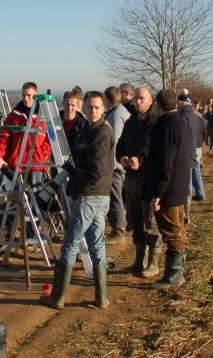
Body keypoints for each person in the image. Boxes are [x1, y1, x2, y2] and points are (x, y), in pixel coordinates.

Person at [39, 91, 114, 310]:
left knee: (70, 244)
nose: (92, 111)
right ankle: (101, 299)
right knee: (97, 245)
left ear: (103, 110)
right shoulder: (88, 130)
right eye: (90, 107)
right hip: (97, 195)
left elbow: (96, 171)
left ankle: (57, 297)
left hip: (90, 195)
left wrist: (75, 174)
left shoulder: (101, 133)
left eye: (97, 108)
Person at [143, 90, 195, 290]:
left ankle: (174, 276)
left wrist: (158, 193)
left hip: (169, 190)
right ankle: (178, 272)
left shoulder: (165, 127)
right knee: (179, 230)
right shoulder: (182, 123)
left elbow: (166, 164)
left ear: (157, 104)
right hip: (180, 187)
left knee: (172, 233)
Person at [116, 84, 161, 276]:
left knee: (150, 221)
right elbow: (120, 145)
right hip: (131, 178)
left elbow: (159, 151)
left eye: (142, 98)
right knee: (135, 220)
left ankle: (154, 262)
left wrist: (141, 160)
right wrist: (123, 158)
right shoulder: (130, 121)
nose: (138, 101)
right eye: (136, 98)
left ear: (150, 100)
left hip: (149, 179)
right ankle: (139, 259)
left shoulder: (157, 122)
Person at [0, 81, 51, 180]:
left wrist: (41, 156)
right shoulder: (14, 116)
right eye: (23, 95)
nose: (25, 98)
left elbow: (49, 140)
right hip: (15, 165)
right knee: (10, 195)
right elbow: (3, 137)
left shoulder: (44, 117)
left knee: (36, 195)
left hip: (36, 166)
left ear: (35, 96)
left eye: (29, 95)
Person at [104, 85, 131, 242]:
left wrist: (109, 163)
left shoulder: (115, 116)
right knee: (117, 196)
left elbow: (113, 141)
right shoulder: (122, 112)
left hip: (114, 164)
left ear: (107, 99)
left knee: (115, 197)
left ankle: (119, 230)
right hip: (120, 162)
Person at [178, 93, 206, 209]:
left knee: (188, 174)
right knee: (196, 170)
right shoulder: (196, 116)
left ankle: (188, 199)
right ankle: (200, 193)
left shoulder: (182, 116)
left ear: (180, 102)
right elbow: (202, 130)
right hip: (196, 146)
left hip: (187, 149)